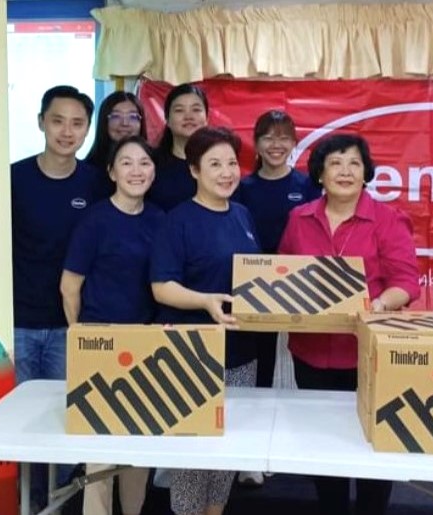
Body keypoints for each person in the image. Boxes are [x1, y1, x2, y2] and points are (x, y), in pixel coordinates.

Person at [278, 133, 420, 515]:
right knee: (324, 446)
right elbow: (284, 275)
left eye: (354, 163)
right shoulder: (299, 218)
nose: (345, 171)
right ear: (320, 174)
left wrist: (377, 304)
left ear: (366, 172)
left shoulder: (388, 219)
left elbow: (407, 283)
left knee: (372, 444)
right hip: (310, 352)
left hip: (367, 352)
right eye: (335, 163)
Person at [150, 127, 260, 515]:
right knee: (193, 451)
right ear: (194, 170)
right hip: (191, 352)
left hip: (240, 351)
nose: (226, 172)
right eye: (215, 164)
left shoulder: (243, 215)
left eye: (231, 163)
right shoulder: (177, 221)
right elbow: (161, 287)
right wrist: (205, 301)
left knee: (227, 448)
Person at [60, 135, 164, 515]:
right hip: (100, 341)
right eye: (126, 162)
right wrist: (80, 336)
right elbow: (70, 286)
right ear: (111, 171)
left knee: (139, 444)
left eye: (144, 163)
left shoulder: (159, 219)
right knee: (101, 452)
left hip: (146, 343)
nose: (136, 170)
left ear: (154, 171)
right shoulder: (95, 220)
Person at [10, 84, 96, 509]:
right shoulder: (13, 179)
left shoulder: (96, 184)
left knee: (66, 424)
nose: (67, 131)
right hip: (19, 323)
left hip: (69, 326)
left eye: (77, 123)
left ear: (87, 131)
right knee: (23, 424)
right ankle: (28, 504)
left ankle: (58, 505)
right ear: (41, 121)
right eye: (58, 120)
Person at [232, 109, 318, 488]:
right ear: (257, 142)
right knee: (259, 368)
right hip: (251, 294)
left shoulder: (308, 186)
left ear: (295, 142)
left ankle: (303, 449)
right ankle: (251, 454)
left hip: (300, 293)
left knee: (305, 369)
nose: (276, 145)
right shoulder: (242, 188)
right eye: (268, 137)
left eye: (284, 137)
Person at [148, 83, 209, 211]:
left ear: (207, 118)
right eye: (179, 110)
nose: (188, 116)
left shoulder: (218, 163)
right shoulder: (150, 163)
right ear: (167, 120)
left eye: (196, 109)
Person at [85, 91, 148, 199]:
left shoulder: (153, 164)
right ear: (104, 121)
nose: (125, 123)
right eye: (116, 116)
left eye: (133, 116)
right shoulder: (88, 171)